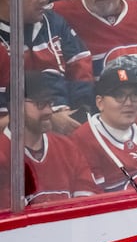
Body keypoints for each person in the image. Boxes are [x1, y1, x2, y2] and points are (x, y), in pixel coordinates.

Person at [0, 0, 94, 134]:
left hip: (70, 119)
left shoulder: (54, 22)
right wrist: (47, 118)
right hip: (19, 135)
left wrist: (81, 110)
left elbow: (81, 69)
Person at [0, 71, 99, 209]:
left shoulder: (68, 148)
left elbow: (89, 203)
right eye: (40, 103)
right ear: (14, 107)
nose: (48, 111)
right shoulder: (3, 155)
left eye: (49, 102)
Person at [71, 67, 137, 191]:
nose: (129, 103)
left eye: (135, 95)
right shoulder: (83, 139)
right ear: (100, 103)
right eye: (119, 96)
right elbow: (93, 197)